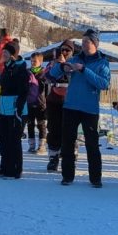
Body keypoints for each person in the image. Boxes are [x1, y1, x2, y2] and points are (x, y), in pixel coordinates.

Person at [51, 29, 110, 187]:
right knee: (67, 143)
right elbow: (53, 72)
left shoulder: (102, 63)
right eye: (83, 41)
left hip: (89, 108)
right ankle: (67, 176)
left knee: (92, 144)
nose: (84, 44)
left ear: (95, 44)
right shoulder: (75, 58)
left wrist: (84, 70)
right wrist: (62, 68)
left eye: (87, 41)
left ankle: (95, 178)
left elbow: (104, 84)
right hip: (71, 106)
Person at [0, 40, 29, 179]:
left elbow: (23, 91)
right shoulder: (7, 68)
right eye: (3, 52)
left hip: (15, 110)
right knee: (3, 139)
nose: (3, 54)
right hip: (4, 109)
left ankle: (15, 169)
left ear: (12, 55)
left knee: (13, 140)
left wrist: (18, 111)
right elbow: (3, 90)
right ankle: (4, 167)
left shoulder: (20, 69)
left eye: (6, 52)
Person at [43, 40, 75, 172]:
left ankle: (70, 155)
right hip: (54, 99)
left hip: (70, 100)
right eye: (63, 50)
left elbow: (73, 79)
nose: (65, 52)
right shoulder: (53, 63)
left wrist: (65, 67)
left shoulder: (74, 64)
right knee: (53, 128)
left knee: (69, 129)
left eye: (68, 50)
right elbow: (46, 77)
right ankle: (53, 157)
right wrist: (57, 65)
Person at [26, 52, 48, 154]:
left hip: (40, 103)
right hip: (29, 102)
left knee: (41, 124)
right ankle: (31, 145)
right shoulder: (28, 72)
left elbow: (47, 89)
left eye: (35, 61)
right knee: (30, 124)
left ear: (41, 62)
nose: (33, 63)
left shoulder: (44, 73)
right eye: (31, 61)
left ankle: (41, 145)